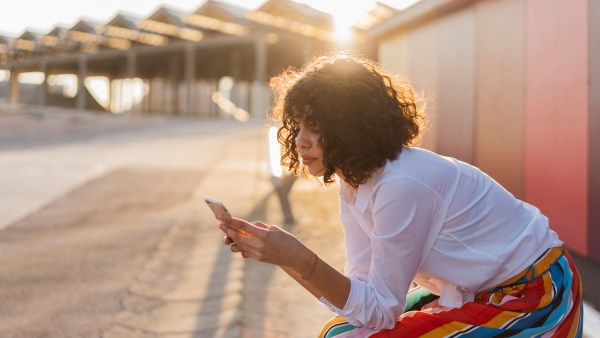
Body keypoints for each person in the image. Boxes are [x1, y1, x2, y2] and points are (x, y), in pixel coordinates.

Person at [217, 52, 583, 337]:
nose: (300, 140)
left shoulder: (402, 184)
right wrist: (284, 256)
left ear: (352, 127)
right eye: (297, 126)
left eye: (317, 127)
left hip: (534, 294)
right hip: (480, 288)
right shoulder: (355, 183)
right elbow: (362, 298)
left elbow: (380, 309)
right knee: (342, 331)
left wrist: (296, 257)